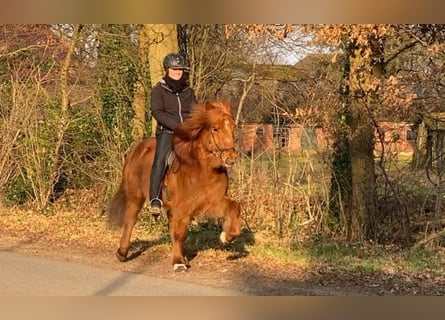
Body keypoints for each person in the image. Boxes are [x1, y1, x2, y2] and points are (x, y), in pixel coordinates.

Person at [148, 52, 198, 217]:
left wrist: (194, 126)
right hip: (167, 132)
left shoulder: (188, 91)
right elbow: (157, 112)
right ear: (167, 69)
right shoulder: (159, 89)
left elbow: (195, 111)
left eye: (180, 69)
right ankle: (155, 199)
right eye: (175, 69)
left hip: (187, 132)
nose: (178, 72)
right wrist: (176, 126)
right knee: (160, 161)